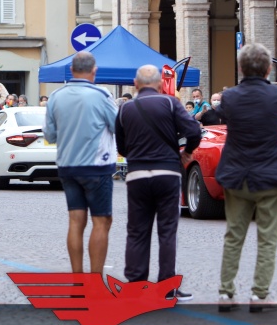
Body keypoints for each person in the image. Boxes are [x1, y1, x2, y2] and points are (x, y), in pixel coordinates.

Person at [215, 43, 277, 313]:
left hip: (237, 174)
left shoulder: (229, 97)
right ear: (268, 69)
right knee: (267, 238)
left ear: (240, 68)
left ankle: (226, 293)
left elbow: (219, 111)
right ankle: (259, 295)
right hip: (270, 175)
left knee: (234, 235)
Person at [115, 65, 202, 301]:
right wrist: (187, 151)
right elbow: (194, 130)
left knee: (137, 231)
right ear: (161, 84)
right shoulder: (171, 103)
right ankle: (167, 287)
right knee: (167, 232)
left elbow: (121, 146)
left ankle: (135, 286)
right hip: (168, 173)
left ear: (136, 84)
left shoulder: (125, 109)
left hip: (137, 175)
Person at [44, 51, 118, 274]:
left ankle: (78, 278)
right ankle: (94, 281)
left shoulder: (56, 96)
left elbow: (49, 135)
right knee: (101, 221)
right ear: (94, 71)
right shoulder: (101, 95)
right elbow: (117, 126)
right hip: (97, 166)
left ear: (71, 70)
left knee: (76, 221)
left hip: (67, 165)